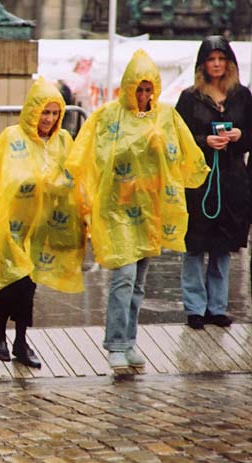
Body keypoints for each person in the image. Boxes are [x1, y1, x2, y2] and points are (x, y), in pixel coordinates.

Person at [65, 50, 209, 371]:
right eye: (138, 89)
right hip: (117, 209)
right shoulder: (107, 116)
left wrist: (163, 151)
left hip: (149, 209)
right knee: (123, 277)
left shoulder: (166, 117)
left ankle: (129, 342)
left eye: (148, 90)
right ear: (128, 88)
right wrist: (139, 145)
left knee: (139, 282)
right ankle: (115, 343)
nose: (143, 96)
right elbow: (98, 157)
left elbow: (182, 154)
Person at [0, 77, 86, 368]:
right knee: (15, 279)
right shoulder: (12, 137)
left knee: (28, 283)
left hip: (44, 224)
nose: (49, 119)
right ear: (33, 111)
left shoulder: (62, 141)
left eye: (55, 113)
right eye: (45, 112)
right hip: (13, 223)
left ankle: (13, 337)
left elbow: (72, 176)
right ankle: (6, 336)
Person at [175, 36, 252, 330]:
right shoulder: (189, 97)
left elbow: (251, 136)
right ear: (203, 64)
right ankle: (195, 308)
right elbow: (178, 138)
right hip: (199, 180)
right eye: (211, 59)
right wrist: (204, 141)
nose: (217, 64)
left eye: (221, 59)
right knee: (194, 245)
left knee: (222, 246)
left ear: (229, 62)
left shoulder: (242, 96)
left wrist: (239, 136)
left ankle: (217, 307)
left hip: (231, 179)